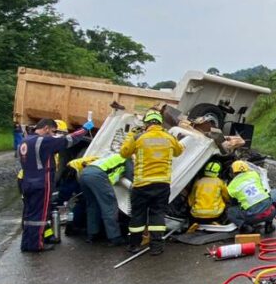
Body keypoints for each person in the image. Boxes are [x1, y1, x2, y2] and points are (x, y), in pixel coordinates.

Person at [18, 118, 93, 252]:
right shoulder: (43, 141)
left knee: (29, 214)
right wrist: (85, 129)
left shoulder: (25, 140)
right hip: (41, 183)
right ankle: (36, 245)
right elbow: (69, 140)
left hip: (26, 181)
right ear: (46, 128)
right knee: (40, 216)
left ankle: (27, 243)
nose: (53, 134)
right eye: (53, 131)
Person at [120, 110, 183, 256]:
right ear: (160, 123)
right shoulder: (169, 137)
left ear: (146, 123)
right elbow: (178, 152)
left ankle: (134, 245)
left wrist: (131, 135)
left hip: (142, 184)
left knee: (138, 215)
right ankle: (156, 247)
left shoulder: (138, 137)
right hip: (162, 184)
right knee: (157, 214)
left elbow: (124, 153)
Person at [68, 153, 128, 245]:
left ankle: (92, 235)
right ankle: (115, 237)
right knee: (109, 207)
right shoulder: (128, 159)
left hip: (84, 173)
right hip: (98, 176)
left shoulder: (111, 155)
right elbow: (132, 176)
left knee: (92, 206)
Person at [227, 160, 276, 234]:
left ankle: (246, 228)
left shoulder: (231, 186)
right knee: (274, 193)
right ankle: (269, 225)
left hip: (253, 218)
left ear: (232, 173)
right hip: (271, 212)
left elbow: (234, 203)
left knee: (230, 211)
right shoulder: (254, 174)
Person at [189, 160, 230, 226]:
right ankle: (217, 222)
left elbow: (191, 200)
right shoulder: (220, 182)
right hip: (214, 214)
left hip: (197, 214)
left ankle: (196, 223)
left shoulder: (198, 182)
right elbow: (227, 197)